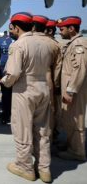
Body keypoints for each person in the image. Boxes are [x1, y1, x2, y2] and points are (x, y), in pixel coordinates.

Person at [0, 12, 53, 183]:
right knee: (42, 130)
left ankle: (25, 167)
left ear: (16, 27)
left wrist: (5, 81)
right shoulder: (45, 43)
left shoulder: (18, 45)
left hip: (25, 90)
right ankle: (44, 169)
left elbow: (13, 73)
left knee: (22, 129)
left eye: (12, 28)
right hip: (43, 88)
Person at [56, 16, 87, 162]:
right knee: (69, 118)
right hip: (70, 89)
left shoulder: (79, 44)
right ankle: (71, 144)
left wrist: (70, 90)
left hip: (75, 90)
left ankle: (78, 151)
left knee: (76, 119)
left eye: (62, 29)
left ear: (71, 29)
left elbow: (80, 69)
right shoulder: (72, 43)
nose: (60, 32)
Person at [32, 15, 62, 143]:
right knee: (50, 112)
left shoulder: (29, 42)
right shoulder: (55, 45)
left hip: (31, 84)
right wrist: (57, 86)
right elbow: (58, 68)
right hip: (49, 83)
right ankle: (49, 137)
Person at [0, 30, 14, 124]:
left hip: (20, 74)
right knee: (6, 95)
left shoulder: (23, 41)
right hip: (5, 74)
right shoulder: (2, 40)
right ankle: (5, 115)